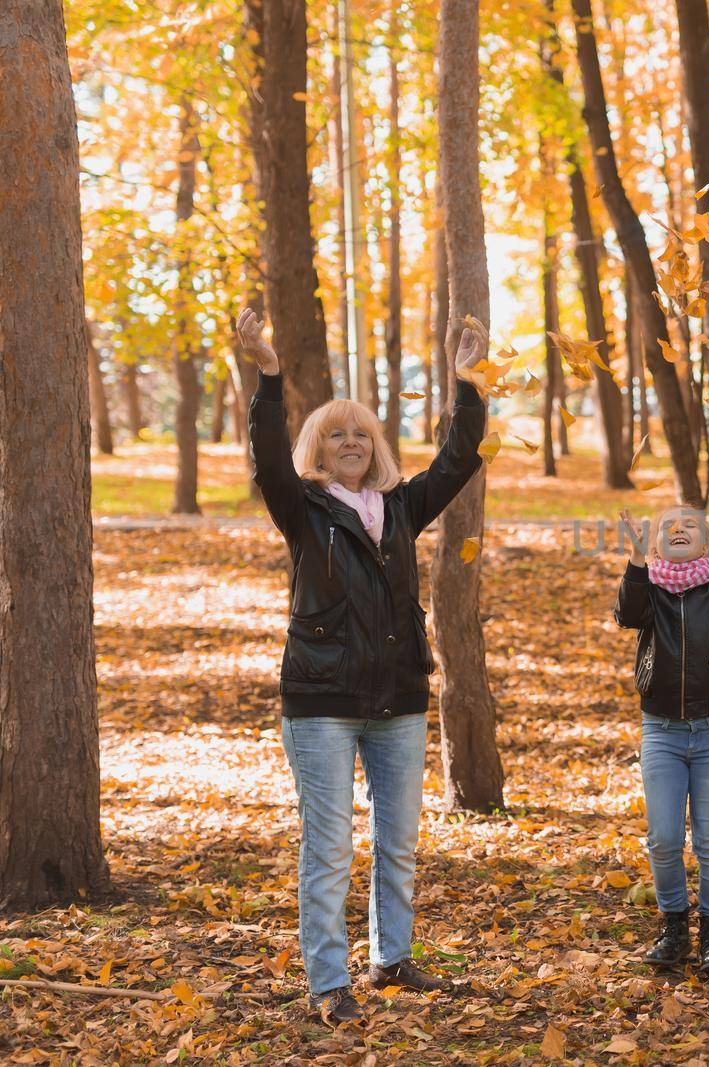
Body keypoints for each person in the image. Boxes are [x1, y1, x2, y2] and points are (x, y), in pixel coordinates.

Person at [237, 306, 488, 1024]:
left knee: (398, 839)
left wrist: (466, 384)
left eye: (362, 432)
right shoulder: (302, 506)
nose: (350, 440)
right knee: (330, 845)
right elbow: (265, 452)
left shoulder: (402, 507)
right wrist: (269, 374)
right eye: (336, 432)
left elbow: (458, 460)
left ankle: (393, 957)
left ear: (376, 447)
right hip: (320, 701)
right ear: (317, 448)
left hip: (400, 699)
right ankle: (327, 980)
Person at [613, 506, 709, 977]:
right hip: (661, 731)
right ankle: (675, 926)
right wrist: (637, 563)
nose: (680, 528)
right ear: (656, 542)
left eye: (692, 524)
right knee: (662, 838)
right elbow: (627, 614)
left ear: (707, 543)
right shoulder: (650, 587)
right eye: (669, 525)